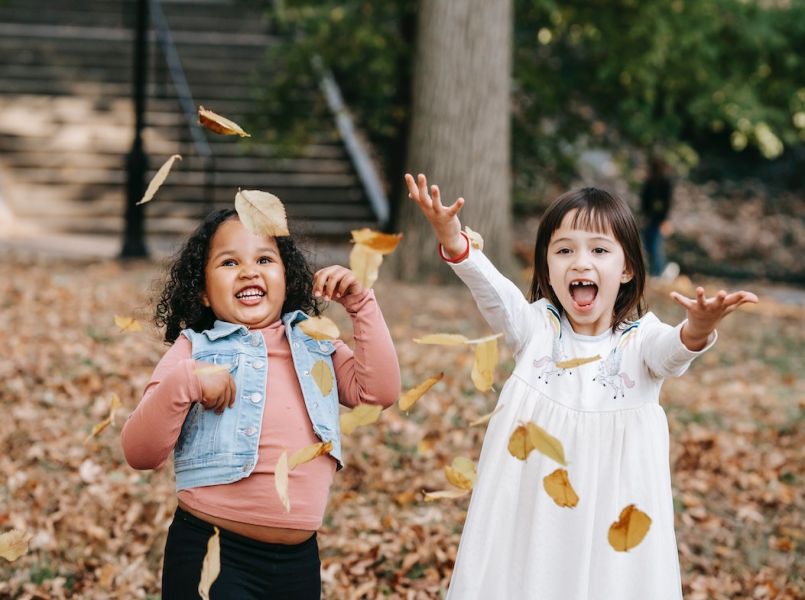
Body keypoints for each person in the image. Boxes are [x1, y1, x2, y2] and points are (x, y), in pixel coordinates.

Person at [405, 173, 756, 600]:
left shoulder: (641, 340)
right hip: (534, 518)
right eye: (564, 250)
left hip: (614, 518)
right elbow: (492, 290)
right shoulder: (535, 329)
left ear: (626, 269)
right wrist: (454, 239)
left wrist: (697, 328)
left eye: (600, 250)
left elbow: (673, 350)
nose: (581, 261)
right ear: (547, 267)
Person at [121, 208, 400, 598]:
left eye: (265, 259)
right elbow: (139, 452)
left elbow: (378, 393)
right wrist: (185, 381)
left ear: (287, 278)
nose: (249, 271)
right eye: (229, 261)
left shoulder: (315, 342)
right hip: (213, 552)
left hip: (299, 564)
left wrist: (362, 305)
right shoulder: (195, 349)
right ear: (202, 289)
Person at [640, 157, 674, 277]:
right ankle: (653, 272)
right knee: (648, 246)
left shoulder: (665, 183)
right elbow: (644, 202)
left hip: (658, 219)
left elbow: (667, 203)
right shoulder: (649, 183)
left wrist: (665, 220)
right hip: (650, 218)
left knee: (656, 246)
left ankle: (658, 273)